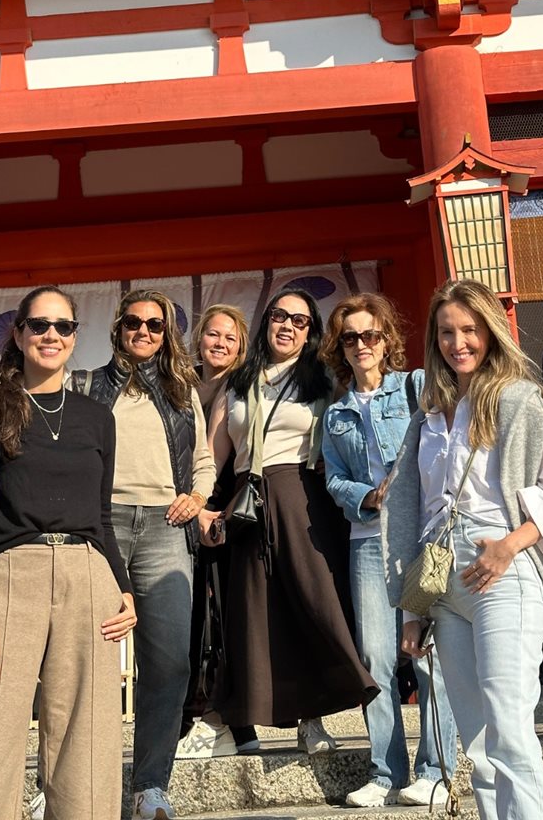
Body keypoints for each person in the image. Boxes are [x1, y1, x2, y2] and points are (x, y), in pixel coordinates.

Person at [381, 279, 543, 820]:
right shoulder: (424, 419)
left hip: (502, 574)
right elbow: (411, 513)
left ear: (490, 332)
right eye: (447, 332)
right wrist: (411, 608)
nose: (458, 342)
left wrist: (509, 547)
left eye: (470, 330)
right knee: (477, 739)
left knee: (510, 728)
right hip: (443, 586)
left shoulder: (518, 400)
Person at [0, 285, 135, 820]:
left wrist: (122, 586)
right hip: (10, 574)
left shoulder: (98, 418)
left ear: (75, 337)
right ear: (19, 334)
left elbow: (101, 515)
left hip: (88, 576)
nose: (51, 335)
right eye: (40, 325)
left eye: (64, 327)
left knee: (89, 733)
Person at [202, 289, 378, 753]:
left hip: (302, 496)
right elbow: (212, 451)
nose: (287, 326)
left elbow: (352, 425)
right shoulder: (238, 380)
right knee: (254, 612)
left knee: (311, 602)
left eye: (300, 321)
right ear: (266, 322)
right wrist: (201, 503)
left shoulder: (322, 379)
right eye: (279, 316)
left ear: (310, 332)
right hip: (246, 501)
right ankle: (241, 721)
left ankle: (314, 719)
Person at [71, 288, 215, 820]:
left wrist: (196, 497)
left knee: (170, 659)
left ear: (167, 334)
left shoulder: (182, 391)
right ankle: (75, 780)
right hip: (100, 524)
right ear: (117, 327)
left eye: (155, 326)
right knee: (85, 658)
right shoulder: (85, 386)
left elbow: (203, 460)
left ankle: (150, 785)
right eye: (134, 323)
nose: (144, 333)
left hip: (164, 526)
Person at [321, 293, 457, 809]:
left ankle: (436, 769)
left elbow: (445, 444)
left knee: (428, 653)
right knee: (375, 657)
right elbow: (334, 478)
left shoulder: (416, 386)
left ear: (386, 341)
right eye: (350, 337)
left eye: (370, 335)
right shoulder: (335, 413)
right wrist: (363, 497)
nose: (361, 346)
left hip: (421, 536)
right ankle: (385, 772)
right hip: (367, 541)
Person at [177, 304, 260, 759]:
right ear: (199, 339)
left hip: (231, 511)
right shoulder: (181, 383)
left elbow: (225, 455)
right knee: (188, 621)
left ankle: (236, 722)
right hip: (184, 510)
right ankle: (190, 715)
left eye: (231, 337)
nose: (221, 343)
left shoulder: (243, 385)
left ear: (241, 344)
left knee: (228, 620)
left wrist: (211, 509)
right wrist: (195, 508)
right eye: (213, 334)